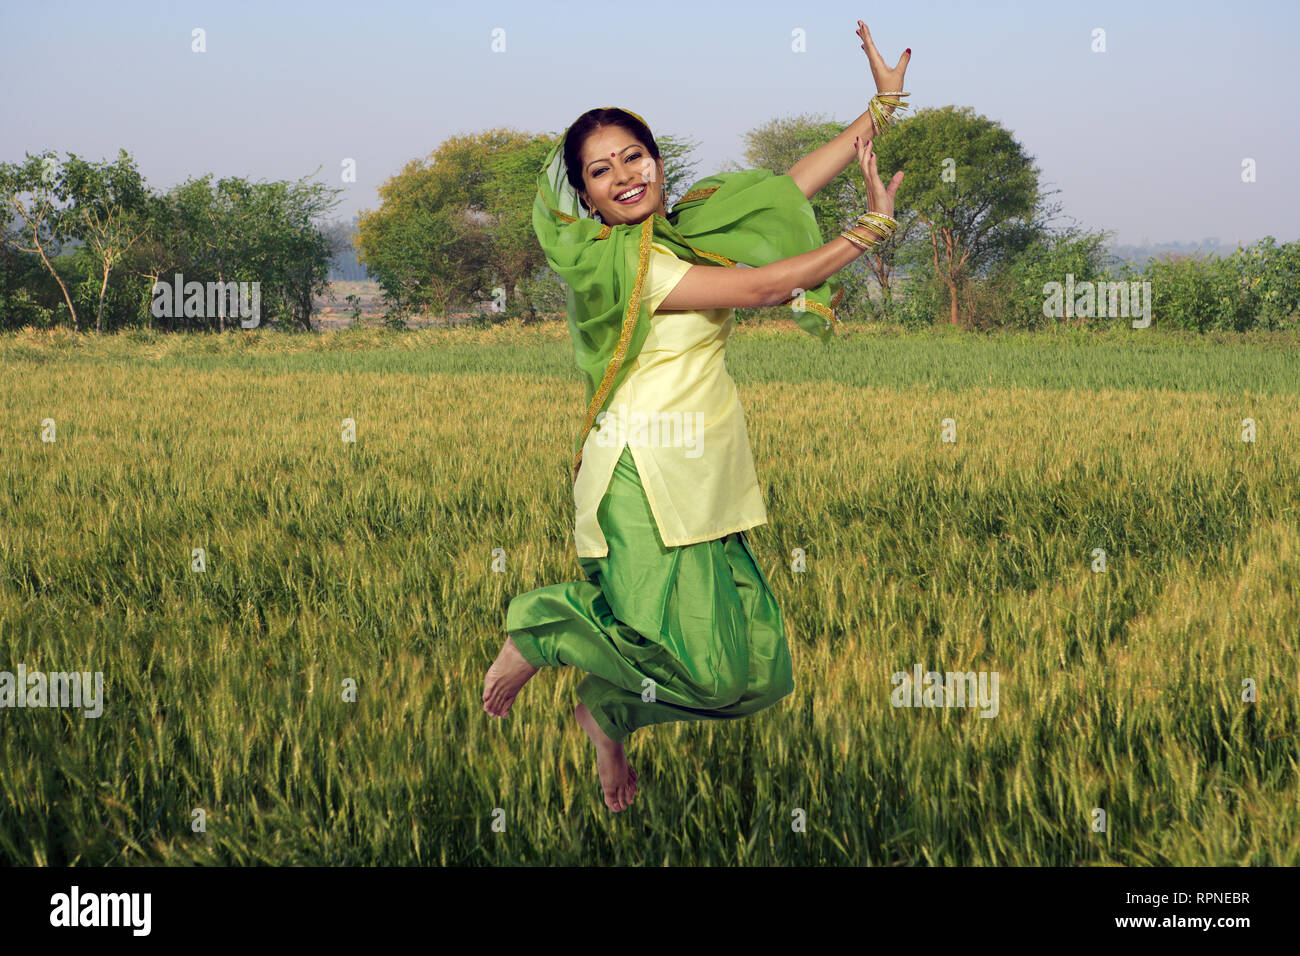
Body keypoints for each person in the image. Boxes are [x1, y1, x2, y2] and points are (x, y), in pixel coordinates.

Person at [483, 21, 910, 814]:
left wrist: (881, 109)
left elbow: (790, 186)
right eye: (600, 171)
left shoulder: (679, 234)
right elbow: (757, 290)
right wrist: (871, 231)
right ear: (584, 195)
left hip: (704, 477)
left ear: (658, 161)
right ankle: (541, 628)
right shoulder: (623, 266)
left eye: (633, 158)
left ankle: (608, 710)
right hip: (641, 479)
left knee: (753, 673)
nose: (623, 176)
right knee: (704, 668)